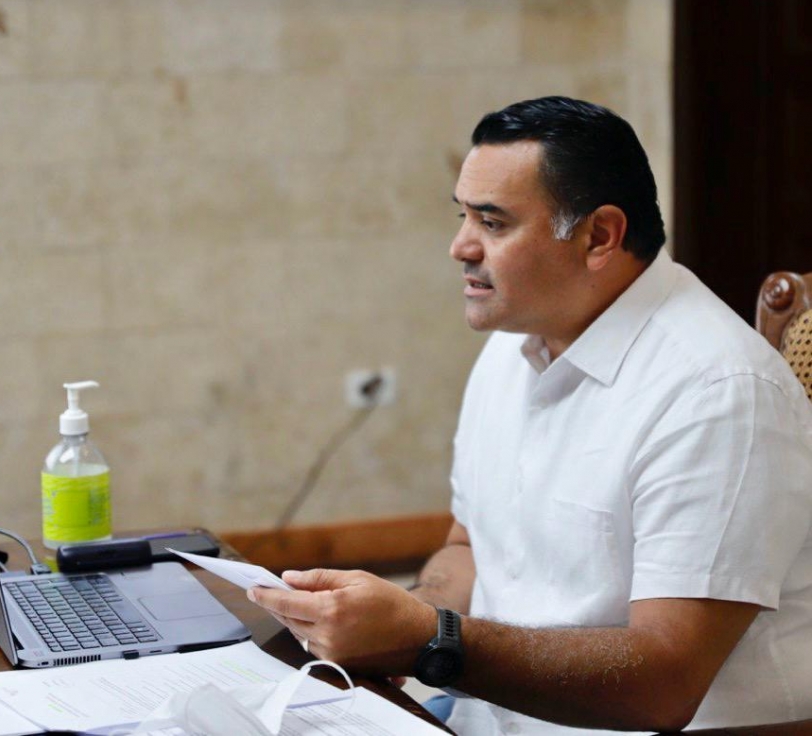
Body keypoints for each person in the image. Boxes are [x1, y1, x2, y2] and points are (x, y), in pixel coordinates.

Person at [249, 96, 812, 735]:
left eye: (492, 222)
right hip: (482, 715)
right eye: (463, 215)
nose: (459, 246)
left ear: (599, 236)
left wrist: (428, 639)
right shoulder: (514, 344)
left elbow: (666, 683)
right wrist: (390, 625)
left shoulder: (719, 391)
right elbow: (470, 546)